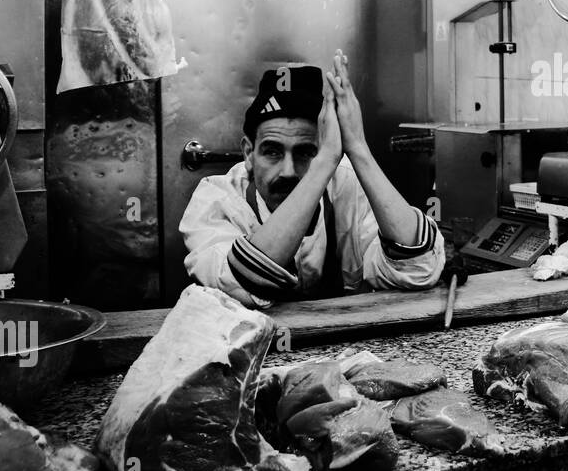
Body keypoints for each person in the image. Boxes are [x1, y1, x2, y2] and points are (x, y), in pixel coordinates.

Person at [180, 51, 442, 308]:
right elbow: (243, 282)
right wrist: (322, 163)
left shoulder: (345, 183)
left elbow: (417, 269)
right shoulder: (216, 200)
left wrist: (359, 149)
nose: (288, 172)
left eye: (306, 152)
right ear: (249, 153)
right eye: (272, 151)